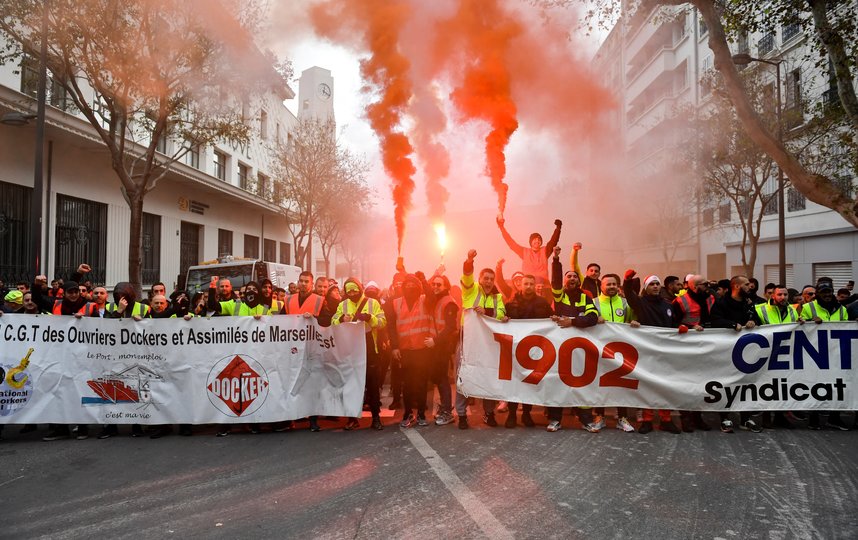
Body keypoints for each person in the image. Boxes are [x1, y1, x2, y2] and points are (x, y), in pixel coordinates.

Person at [622, 271, 681, 434]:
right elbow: (628, 294)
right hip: (647, 351)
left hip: (666, 352)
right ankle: (647, 420)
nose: (655, 286)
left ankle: (666, 420)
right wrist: (627, 280)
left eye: (657, 284)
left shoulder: (669, 305)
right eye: (652, 284)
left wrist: (682, 328)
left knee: (665, 386)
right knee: (647, 385)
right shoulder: (640, 303)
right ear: (646, 288)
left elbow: (675, 323)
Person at [547, 247, 598, 432]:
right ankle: (554, 420)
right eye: (569, 276)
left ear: (579, 280)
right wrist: (556, 259)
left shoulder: (586, 296)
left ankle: (586, 420)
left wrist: (573, 321)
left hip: (581, 348)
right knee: (557, 383)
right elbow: (555, 280)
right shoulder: (559, 294)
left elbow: (592, 317)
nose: (572, 279)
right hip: (560, 347)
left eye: (575, 276)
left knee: (582, 384)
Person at [457, 249, 508, 429]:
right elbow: (467, 276)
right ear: (480, 280)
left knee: (488, 376)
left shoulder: (497, 297)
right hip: (468, 341)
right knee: (464, 375)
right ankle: (462, 415)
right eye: (485, 278)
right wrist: (469, 260)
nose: (488, 281)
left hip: (488, 343)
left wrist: (487, 312)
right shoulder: (470, 291)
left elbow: (501, 314)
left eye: (491, 279)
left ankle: (488, 413)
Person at [710, 276, 763, 433]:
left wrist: (753, 321)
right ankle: (725, 418)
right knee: (725, 384)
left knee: (746, 383)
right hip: (725, 350)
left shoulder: (748, 303)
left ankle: (745, 419)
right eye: (746, 284)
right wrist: (732, 325)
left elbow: (756, 319)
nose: (749, 287)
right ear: (737, 286)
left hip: (745, 351)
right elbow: (715, 320)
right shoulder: (721, 303)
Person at [333, 278, 386, 431]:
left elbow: (383, 322)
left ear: (360, 289)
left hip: (369, 348)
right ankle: (352, 418)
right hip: (349, 350)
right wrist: (342, 319)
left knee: (372, 385)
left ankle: (376, 417)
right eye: (348, 291)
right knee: (350, 385)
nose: (352, 293)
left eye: (354, 290)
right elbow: (333, 320)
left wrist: (370, 318)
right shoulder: (342, 305)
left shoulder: (373, 303)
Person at [589, 273, 638, 433]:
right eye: (607, 284)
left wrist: (634, 322)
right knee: (599, 384)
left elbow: (632, 320)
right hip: (599, 350)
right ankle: (600, 416)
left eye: (613, 284)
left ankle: (622, 418)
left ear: (618, 286)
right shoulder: (594, 302)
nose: (611, 287)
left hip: (621, 352)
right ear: (601, 286)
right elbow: (587, 321)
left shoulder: (625, 303)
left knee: (621, 385)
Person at [504, 274, 553, 428]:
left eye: (531, 284)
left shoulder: (543, 303)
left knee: (529, 383)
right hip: (514, 349)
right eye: (526, 283)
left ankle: (526, 414)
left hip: (534, 349)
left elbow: (550, 322)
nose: (529, 286)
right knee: (514, 383)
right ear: (520, 285)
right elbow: (502, 320)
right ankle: (512, 414)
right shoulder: (511, 303)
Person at [801, 278, 850, 431]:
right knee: (816, 386)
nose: (827, 295)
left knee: (837, 386)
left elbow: (847, 329)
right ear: (818, 293)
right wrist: (809, 321)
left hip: (836, 354)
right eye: (823, 292)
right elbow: (800, 325)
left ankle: (834, 418)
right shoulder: (809, 307)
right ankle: (813, 418)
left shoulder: (842, 309)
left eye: (829, 291)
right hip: (815, 354)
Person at [388, 273, 435, 428]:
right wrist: (394, 346)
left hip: (422, 350)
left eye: (413, 285)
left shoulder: (424, 300)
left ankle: (421, 414)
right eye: (407, 285)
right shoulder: (396, 303)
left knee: (421, 384)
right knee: (407, 385)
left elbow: (432, 297)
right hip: (405, 350)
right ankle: (408, 413)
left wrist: (423, 280)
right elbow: (391, 327)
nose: (410, 287)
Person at [672, 274, 714, 433]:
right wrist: (688, 328)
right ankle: (686, 418)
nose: (708, 286)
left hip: (706, 347)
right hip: (686, 349)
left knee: (701, 382)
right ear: (695, 287)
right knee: (686, 384)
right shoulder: (680, 302)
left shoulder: (710, 298)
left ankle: (698, 416)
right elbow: (672, 324)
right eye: (705, 284)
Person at [429, 274, 459, 426]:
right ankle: (445, 407)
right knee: (438, 378)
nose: (435, 287)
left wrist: (435, 340)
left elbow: (450, 327)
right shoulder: (438, 299)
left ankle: (447, 411)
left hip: (442, 346)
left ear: (446, 286)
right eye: (433, 284)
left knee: (442, 379)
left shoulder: (449, 302)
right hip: (436, 346)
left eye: (439, 284)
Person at [495, 216, 562, 285]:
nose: (537, 241)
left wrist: (558, 228)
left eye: (539, 240)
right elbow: (511, 243)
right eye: (535, 239)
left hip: (543, 284)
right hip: (528, 284)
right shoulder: (524, 251)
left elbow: (553, 241)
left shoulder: (545, 251)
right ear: (530, 242)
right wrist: (502, 228)